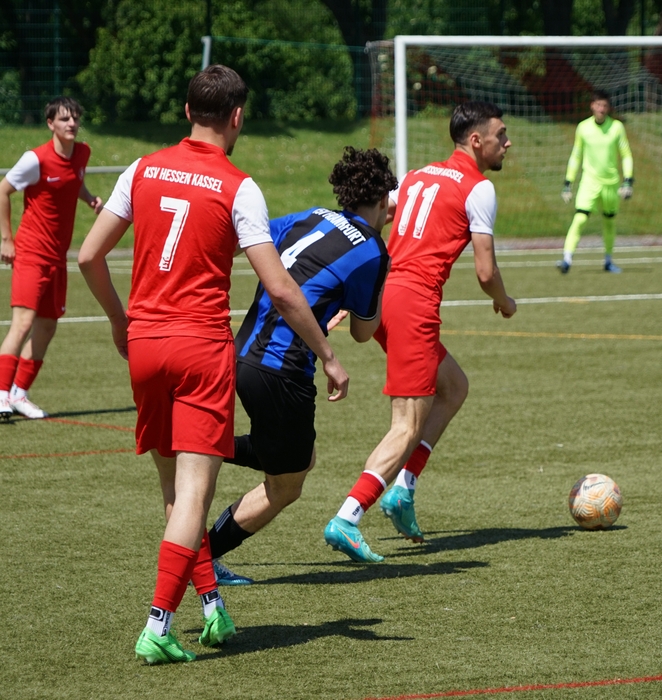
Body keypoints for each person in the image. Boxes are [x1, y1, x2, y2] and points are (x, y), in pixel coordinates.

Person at [78, 65, 347, 664]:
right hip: (200, 348)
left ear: (186, 111)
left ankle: (211, 606)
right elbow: (280, 287)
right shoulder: (238, 186)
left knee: (176, 494)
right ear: (237, 117)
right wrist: (327, 354)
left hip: (146, 346)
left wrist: (120, 321)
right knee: (195, 493)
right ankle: (157, 625)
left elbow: (90, 256)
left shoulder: (140, 168)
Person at [324, 101, 517, 562]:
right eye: (501, 135)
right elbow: (486, 272)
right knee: (407, 424)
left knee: (453, 386)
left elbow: (368, 217)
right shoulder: (479, 188)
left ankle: (404, 489)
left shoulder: (417, 175)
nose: (507, 143)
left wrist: (349, 289)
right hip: (413, 304)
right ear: (476, 141)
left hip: (382, 295)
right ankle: (348, 516)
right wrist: (504, 300)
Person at [207, 146, 393, 586]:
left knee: (299, 457)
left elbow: (249, 244)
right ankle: (203, 555)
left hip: (242, 353)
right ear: (383, 200)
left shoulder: (309, 217)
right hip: (282, 368)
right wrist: (358, 307)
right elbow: (364, 332)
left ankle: (202, 446)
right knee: (287, 485)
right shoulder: (372, 250)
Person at [0, 96, 103, 420]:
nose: (71, 123)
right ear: (50, 124)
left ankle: (19, 393)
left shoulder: (82, 153)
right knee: (23, 323)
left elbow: (74, 181)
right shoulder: (35, 159)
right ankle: (1, 393)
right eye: (64, 119)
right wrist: (6, 239)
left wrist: (89, 199)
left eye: (75, 118)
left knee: (47, 326)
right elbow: (2, 190)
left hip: (58, 257)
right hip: (31, 253)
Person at [557, 89, 633, 275]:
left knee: (609, 222)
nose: (601, 109)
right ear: (592, 106)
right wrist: (568, 182)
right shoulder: (583, 128)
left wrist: (628, 181)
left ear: (609, 108)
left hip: (611, 184)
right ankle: (566, 259)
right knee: (580, 218)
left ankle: (608, 260)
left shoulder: (616, 127)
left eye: (604, 105)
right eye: (598, 105)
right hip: (589, 182)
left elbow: (626, 155)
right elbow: (576, 155)